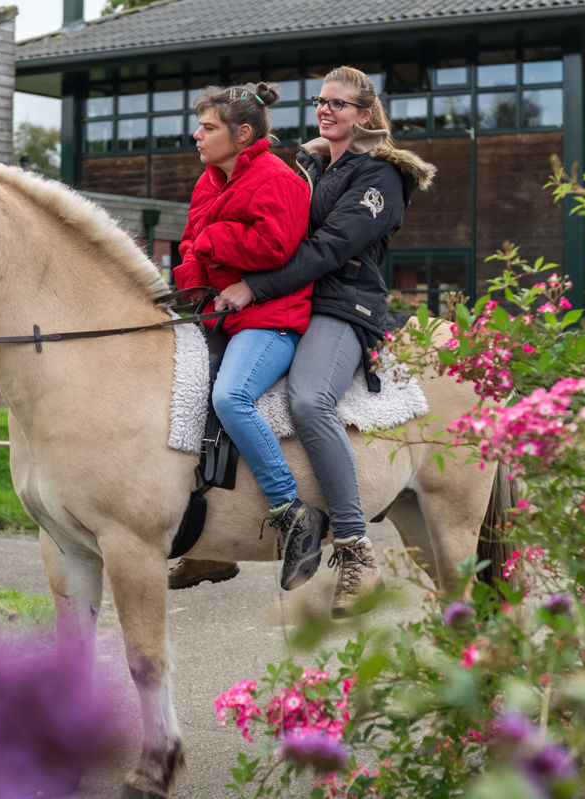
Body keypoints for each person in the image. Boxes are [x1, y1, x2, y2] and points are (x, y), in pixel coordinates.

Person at [214, 66, 436, 617]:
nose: (326, 109)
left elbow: (329, 250)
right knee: (210, 375)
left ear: (365, 114)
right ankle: (213, 537)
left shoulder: (381, 177)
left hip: (342, 306)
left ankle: (357, 550)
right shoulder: (309, 165)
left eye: (339, 103)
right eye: (320, 101)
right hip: (291, 302)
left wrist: (254, 285)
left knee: (310, 399)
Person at [170, 82, 331, 592]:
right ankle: (203, 533)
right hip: (217, 312)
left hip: (271, 318)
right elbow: (190, 245)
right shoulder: (208, 181)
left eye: (208, 127)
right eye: (200, 126)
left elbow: (275, 249)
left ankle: (292, 512)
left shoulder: (276, 179)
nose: (196, 135)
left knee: (231, 396)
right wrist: (189, 281)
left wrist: (213, 241)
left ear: (242, 133)